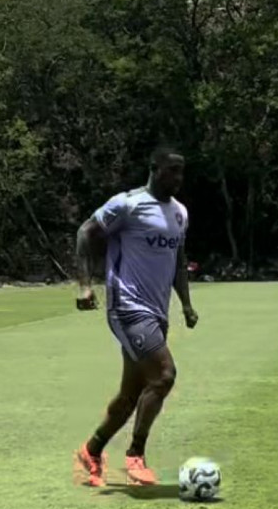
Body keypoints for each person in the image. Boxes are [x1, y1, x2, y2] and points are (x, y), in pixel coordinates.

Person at [72, 147, 199, 487]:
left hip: (157, 311)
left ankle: (91, 450)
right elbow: (85, 232)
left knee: (132, 393)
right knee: (164, 375)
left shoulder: (180, 213)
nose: (178, 178)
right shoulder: (127, 204)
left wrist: (186, 304)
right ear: (154, 169)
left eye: (181, 172)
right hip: (126, 307)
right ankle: (136, 454)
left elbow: (178, 260)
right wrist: (85, 286)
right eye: (172, 171)